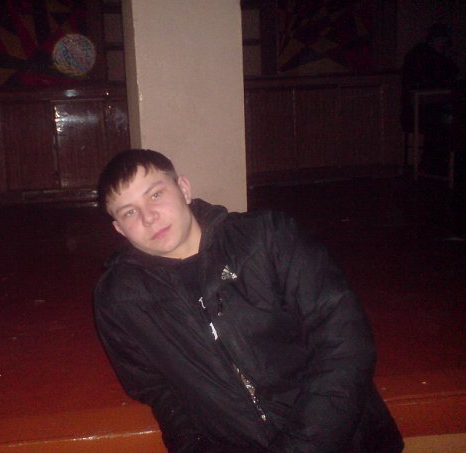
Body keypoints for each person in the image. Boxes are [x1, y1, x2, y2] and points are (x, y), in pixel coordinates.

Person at [94, 149, 404, 452]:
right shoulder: (121, 300)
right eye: (129, 212)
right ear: (119, 229)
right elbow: (159, 391)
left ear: (184, 189)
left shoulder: (267, 237)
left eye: (155, 194)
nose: (149, 217)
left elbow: (345, 342)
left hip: (345, 438)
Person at [401, 23, 460, 176]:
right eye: (441, 40)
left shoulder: (436, 56)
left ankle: (442, 163)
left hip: (429, 109)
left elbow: (452, 74)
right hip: (418, 111)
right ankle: (435, 164)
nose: (443, 44)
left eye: (445, 41)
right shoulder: (421, 56)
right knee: (440, 123)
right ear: (432, 40)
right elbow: (435, 79)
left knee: (451, 121)